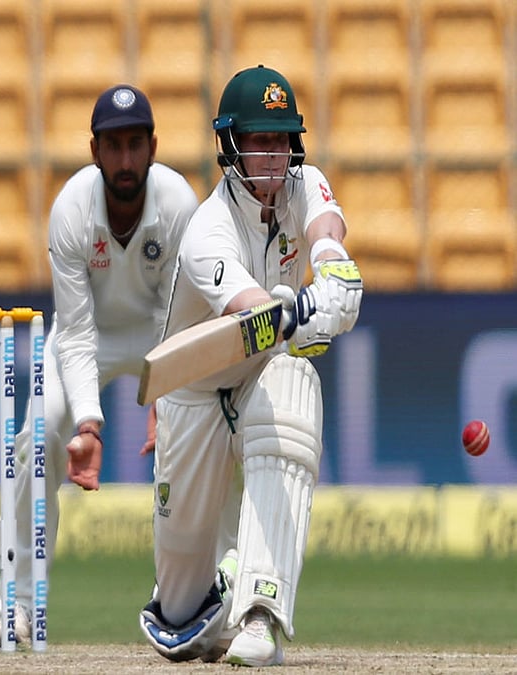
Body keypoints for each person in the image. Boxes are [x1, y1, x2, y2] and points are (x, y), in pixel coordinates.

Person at [137, 65, 363, 666]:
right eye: (260, 140)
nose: (274, 155)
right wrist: (304, 314)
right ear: (230, 145)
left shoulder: (304, 180)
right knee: (184, 624)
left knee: (293, 383)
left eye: (283, 139)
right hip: (194, 389)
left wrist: (333, 265)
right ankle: (217, 586)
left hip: (263, 372)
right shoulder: (206, 232)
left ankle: (261, 613)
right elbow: (254, 318)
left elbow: (327, 228)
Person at [0, 84, 200, 645]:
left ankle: (187, 604)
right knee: (34, 442)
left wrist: (164, 393)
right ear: (94, 149)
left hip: (162, 335)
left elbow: (177, 313)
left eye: (136, 144)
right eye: (114, 146)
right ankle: (20, 606)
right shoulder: (71, 210)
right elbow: (78, 331)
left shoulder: (180, 204)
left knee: (193, 449)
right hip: (90, 335)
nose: (126, 160)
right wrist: (88, 424)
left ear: (154, 146)